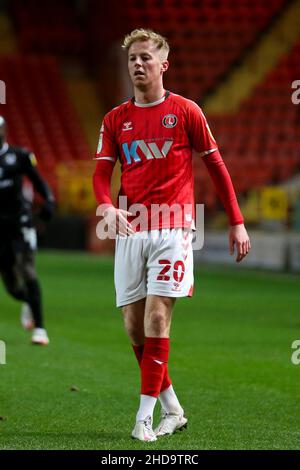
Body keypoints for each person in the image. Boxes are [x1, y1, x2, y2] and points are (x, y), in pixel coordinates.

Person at [93, 29, 251, 442]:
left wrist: (236, 220)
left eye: (146, 57)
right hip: (131, 227)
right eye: (132, 59)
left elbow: (216, 166)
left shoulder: (185, 111)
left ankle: (143, 418)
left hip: (174, 226)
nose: (138, 64)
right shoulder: (114, 119)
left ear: (164, 65)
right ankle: (172, 409)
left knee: (157, 317)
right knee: (133, 326)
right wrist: (106, 205)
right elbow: (99, 174)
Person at [0, 115, 55, 345]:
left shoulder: (19, 156)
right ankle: (27, 302)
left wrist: (48, 200)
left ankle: (40, 329)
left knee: (28, 269)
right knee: (12, 286)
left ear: (4, 131)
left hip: (21, 221)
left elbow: (38, 180)